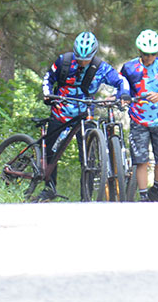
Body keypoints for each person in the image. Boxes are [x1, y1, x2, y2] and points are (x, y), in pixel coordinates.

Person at [40, 31, 130, 202]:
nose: (82, 62)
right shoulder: (64, 61)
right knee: (51, 151)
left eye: (86, 59)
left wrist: (123, 94)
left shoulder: (100, 68)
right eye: (79, 58)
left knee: (89, 157)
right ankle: (49, 188)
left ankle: (86, 196)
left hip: (85, 115)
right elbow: (48, 78)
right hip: (61, 112)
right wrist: (47, 94)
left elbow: (121, 81)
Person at [118, 29, 158, 202]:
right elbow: (122, 87)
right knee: (141, 159)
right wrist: (122, 98)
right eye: (145, 54)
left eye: (152, 54)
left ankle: (156, 188)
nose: (148, 58)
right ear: (139, 52)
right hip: (139, 119)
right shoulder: (129, 68)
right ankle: (143, 195)